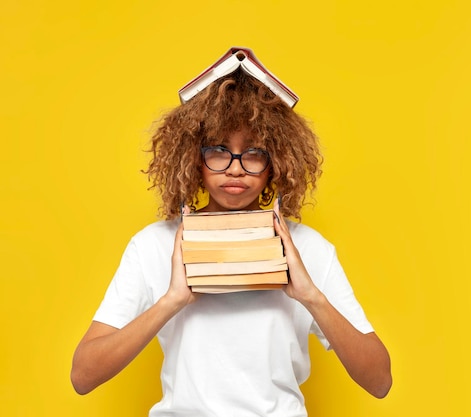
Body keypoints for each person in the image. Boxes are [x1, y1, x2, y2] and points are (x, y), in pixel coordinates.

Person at [71, 48, 392, 416]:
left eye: (253, 152)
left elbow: (380, 381)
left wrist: (310, 296)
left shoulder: (309, 249)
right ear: (194, 157)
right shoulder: (154, 245)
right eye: (219, 151)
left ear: (276, 163)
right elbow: (83, 375)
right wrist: (172, 300)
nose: (235, 169)